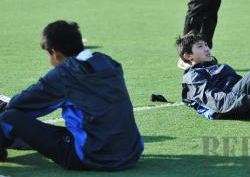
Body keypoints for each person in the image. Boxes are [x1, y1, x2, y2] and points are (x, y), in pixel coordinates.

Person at [0, 21, 143, 170]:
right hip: (132, 152)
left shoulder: (65, 74)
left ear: (56, 54)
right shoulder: (108, 62)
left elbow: (19, 104)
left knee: (8, 117)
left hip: (92, 157)